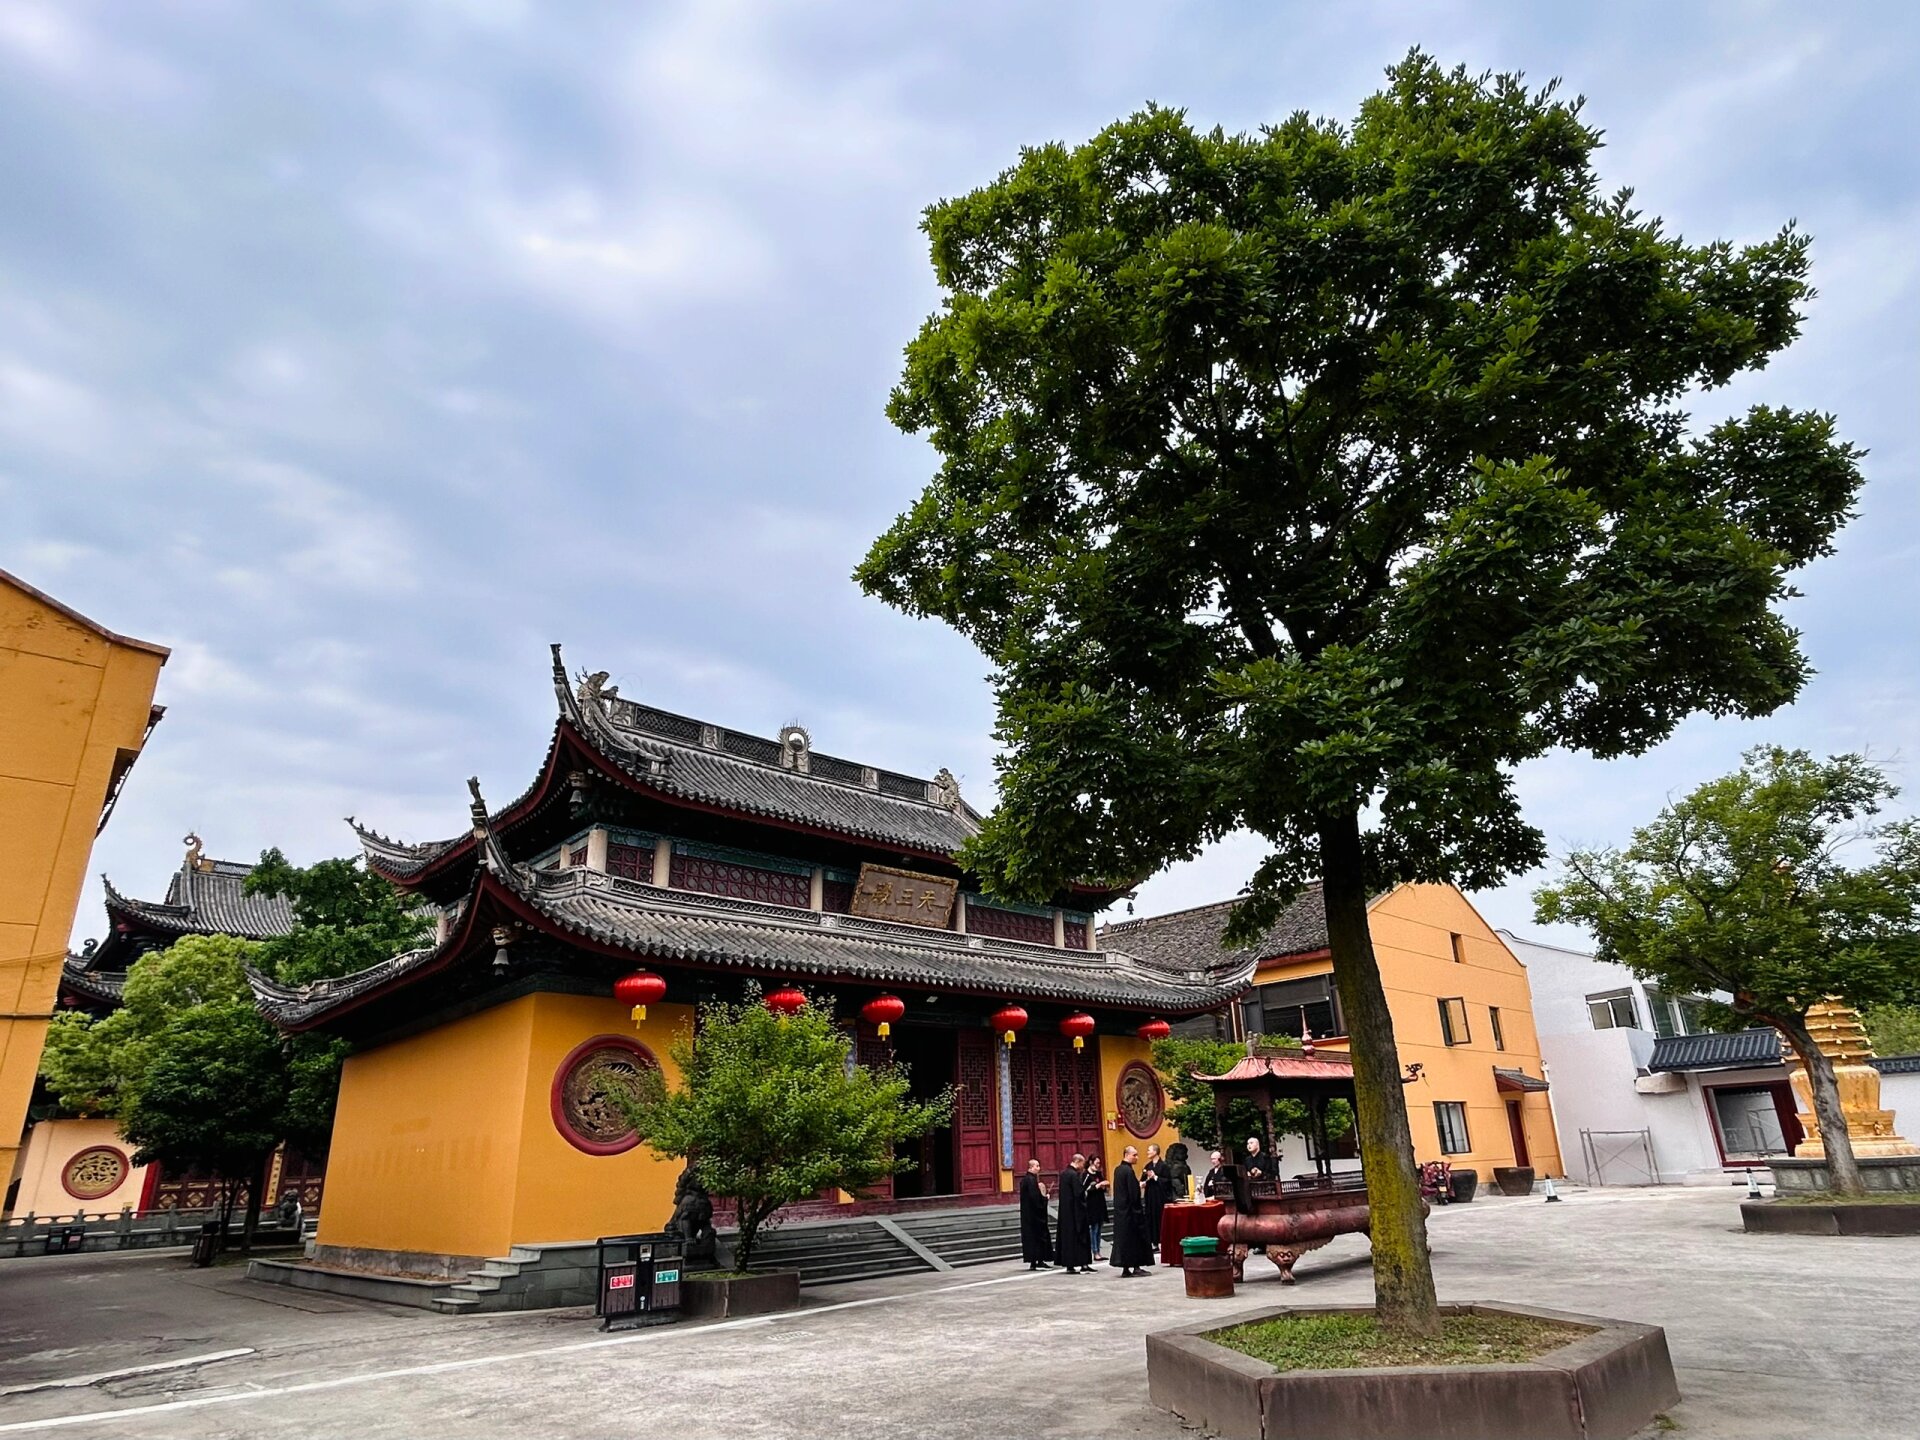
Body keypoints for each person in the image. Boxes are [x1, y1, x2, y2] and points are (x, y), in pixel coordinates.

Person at [1107, 1145, 1155, 1276]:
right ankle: (1136, 1266)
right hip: (1131, 1212)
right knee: (1135, 1240)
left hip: (1121, 1212)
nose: (1137, 1157)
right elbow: (1133, 1194)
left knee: (1124, 1240)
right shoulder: (1128, 1172)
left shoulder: (1118, 1170)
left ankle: (1125, 1268)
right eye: (1134, 1155)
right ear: (1127, 1155)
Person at [1054, 1154, 1092, 1273]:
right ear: (1078, 1161)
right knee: (1080, 1237)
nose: (1083, 1167)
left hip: (1065, 1212)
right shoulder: (1073, 1175)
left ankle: (1069, 1265)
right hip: (1076, 1213)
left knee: (1068, 1239)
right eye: (1082, 1164)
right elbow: (1079, 1194)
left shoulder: (1064, 1174)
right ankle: (1083, 1264)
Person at [1017, 1159, 1053, 1269]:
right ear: (1031, 1167)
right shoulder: (1031, 1181)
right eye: (1037, 1166)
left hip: (1028, 1216)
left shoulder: (1024, 1180)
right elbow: (1035, 1199)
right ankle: (1040, 1261)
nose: (1039, 1168)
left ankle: (1033, 1262)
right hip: (1035, 1216)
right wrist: (1045, 1199)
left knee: (1031, 1239)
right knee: (1039, 1237)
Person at [1142, 1142, 1172, 1265]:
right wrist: (1144, 1182)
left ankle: (1161, 1242)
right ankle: (1153, 1242)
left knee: (1160, 1218)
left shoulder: (1164, 1166)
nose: (1148, 1152)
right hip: (1150, 1197)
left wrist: (1155, 1177)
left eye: (1149, 1150)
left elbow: (1167, 1181)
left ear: (1155, 1152)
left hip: (1160, 1197)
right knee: (1150, 1218)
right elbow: (1142, 1179)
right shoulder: (1148, 1165)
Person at [1084, 1156, 1109, 1261]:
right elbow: (1084, 1189)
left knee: (1099, 1228)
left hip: (1100, 1204)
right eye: (1096, 1163)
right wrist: (1096, 1186)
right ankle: (1094, 1251)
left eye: (1099, 1163)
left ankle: (1098, 1250)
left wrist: (1102, 1184)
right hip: (1091, 1205)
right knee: (1093, 1229)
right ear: (1091, 1162)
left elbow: (1106, 1183)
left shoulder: (1098, 1174)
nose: (1098, 1165)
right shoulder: (1086, 1175)